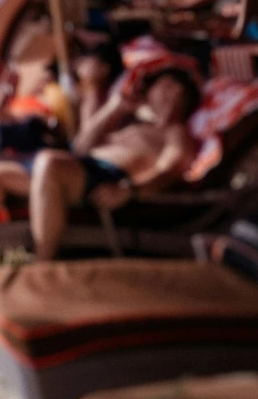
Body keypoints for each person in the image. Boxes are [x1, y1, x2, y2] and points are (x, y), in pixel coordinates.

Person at [25, 63, 201, 259]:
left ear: (174, 91)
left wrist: (130, 190)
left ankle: (41, 265)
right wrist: (115, 107)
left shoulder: (176, 132)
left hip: (107, 179)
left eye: (155, 85)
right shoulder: (135, 124)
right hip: (81, 168)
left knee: (48, 161)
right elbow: (81, 146)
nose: (148, 91)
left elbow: (172, 169)